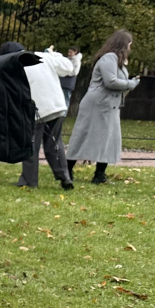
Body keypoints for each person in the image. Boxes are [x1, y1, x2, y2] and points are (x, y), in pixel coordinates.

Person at [66, 29, 139, 185]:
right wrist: (130, 84)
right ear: (123, 45)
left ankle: (99, 174)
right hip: (98, 104)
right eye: (129, 45)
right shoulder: (109, 58)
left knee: (108, 139)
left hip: (108, 105)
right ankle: (67, 169)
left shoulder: (116, 60)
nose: (130, 49)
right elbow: (110, 81)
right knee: (83, 135)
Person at [18, 43, 73, 190]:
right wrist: (52, 53)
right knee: (54, 143)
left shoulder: (16, 64)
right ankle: (65, 177)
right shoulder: (43, 57)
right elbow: (69, 68)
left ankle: (29, 180)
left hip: (37, 109)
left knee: (31, 145)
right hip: (56, 104)